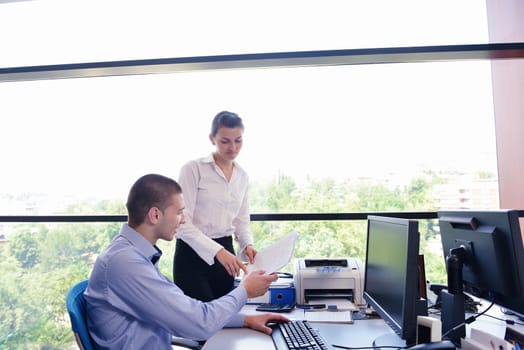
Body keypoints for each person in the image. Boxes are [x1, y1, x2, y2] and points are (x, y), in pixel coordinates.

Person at [84, 174, 288, 349]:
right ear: (155, 215)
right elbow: (198, 323)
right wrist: (245, 290)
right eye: (180, 212)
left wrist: (245, 320)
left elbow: (185, 310)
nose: (183, 220)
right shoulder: (125, 263)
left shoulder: (133, 254)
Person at [173, 111, 258, 301]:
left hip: (226, 252)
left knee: (225, 318)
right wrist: (218, 252)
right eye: (225, 141)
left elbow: (241, 221)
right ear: (212, 139)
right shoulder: (193, 169)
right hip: (192, 253)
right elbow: (181, 223)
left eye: (238, 140)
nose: (232, 147)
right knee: (196, 322)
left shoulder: (242, 176)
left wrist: (247, 245)